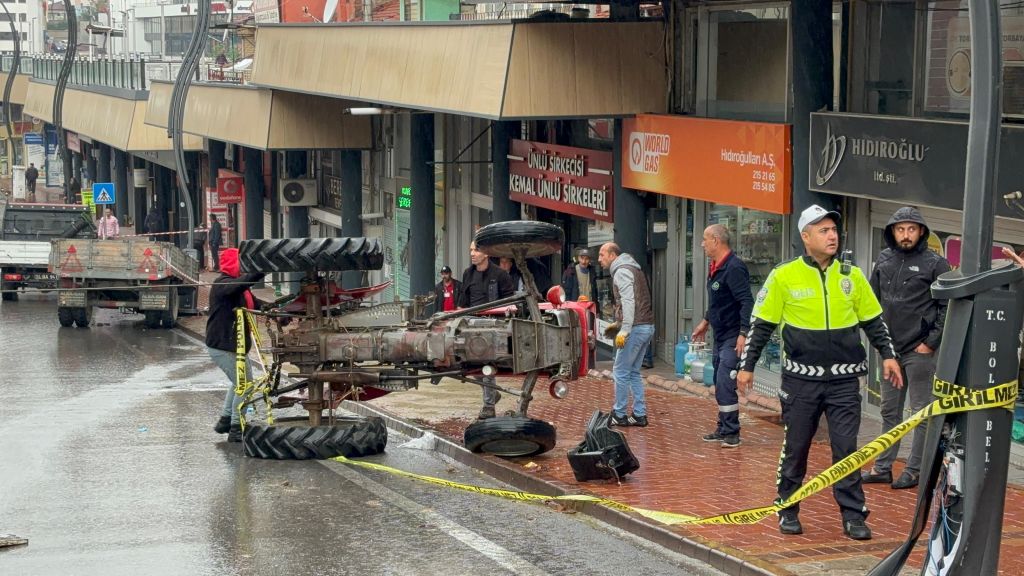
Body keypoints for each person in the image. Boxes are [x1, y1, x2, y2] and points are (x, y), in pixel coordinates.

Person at [737, 205, 902, 541]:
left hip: (844, 380)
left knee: (846, 449)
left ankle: (854, 515)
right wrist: (747, 367)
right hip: (800, 381)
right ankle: (787, 506)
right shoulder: (783, 276)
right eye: (823, 230)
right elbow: (761, 326)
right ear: (805, 236)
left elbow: (874, 321)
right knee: (796, 447)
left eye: (834, 230)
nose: (832, 236)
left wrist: (888, 355)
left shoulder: (851, 275)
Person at [862, 207, 951, 490]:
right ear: (892, 232)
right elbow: (871, 301)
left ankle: (914, 470)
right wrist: (880, 344)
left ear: (921, 231)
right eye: (900, 229)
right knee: (889, 411)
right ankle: (883, 467)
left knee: (921, 413)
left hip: (919, 351)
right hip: (890, 351)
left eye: (911, 229)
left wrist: (930, 343)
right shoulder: (885, 259)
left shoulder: (936, 263)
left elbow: (947, 307)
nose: (906, 235)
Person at [692, 224, 753, 448]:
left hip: (732, 335)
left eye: (705, 239)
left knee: (725, 382)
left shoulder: (734, 268)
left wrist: (743, 334)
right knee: (719, 381)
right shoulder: (716, 266)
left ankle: (732, 433)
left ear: (716, 241)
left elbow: (747, 301)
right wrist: (706, 321)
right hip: (719, 334)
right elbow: (718, 302)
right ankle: (723, 427)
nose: (702, 244)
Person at [207, 248, 266, 442]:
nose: (244, 267)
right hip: (223, 345)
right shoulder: (222, 285)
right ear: (233, 264)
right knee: (245, 384)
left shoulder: (243, 289)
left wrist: (276, 311)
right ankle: (235, 427)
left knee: (239, 383)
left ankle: (225, 420)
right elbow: (237, 286)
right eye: (241, 262)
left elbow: (256, 304)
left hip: (238, 347)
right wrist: (261, 270)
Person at [598, 242, 655, 427]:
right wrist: (620, 322)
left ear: (613, 255)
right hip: (646, 326)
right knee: (633, 372)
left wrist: (624, 329)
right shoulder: (634, 268)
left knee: (620, 371)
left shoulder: (621, 271)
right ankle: (639, 414)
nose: (599, 259)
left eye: (602, 254)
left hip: (636, 328)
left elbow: (629, 301)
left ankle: (619, 414)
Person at [459, 241, 516, 419]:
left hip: (492, 327)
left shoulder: (500, 275)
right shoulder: (468, 274)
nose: (472, 253)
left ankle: (488, 406)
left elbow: (510, 303)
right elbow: (462, 303)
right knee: (468, 366)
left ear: (486, 252)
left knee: (486, 367)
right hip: (471, 326)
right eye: (470, 250)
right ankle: (491, 393)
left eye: (476, 250)